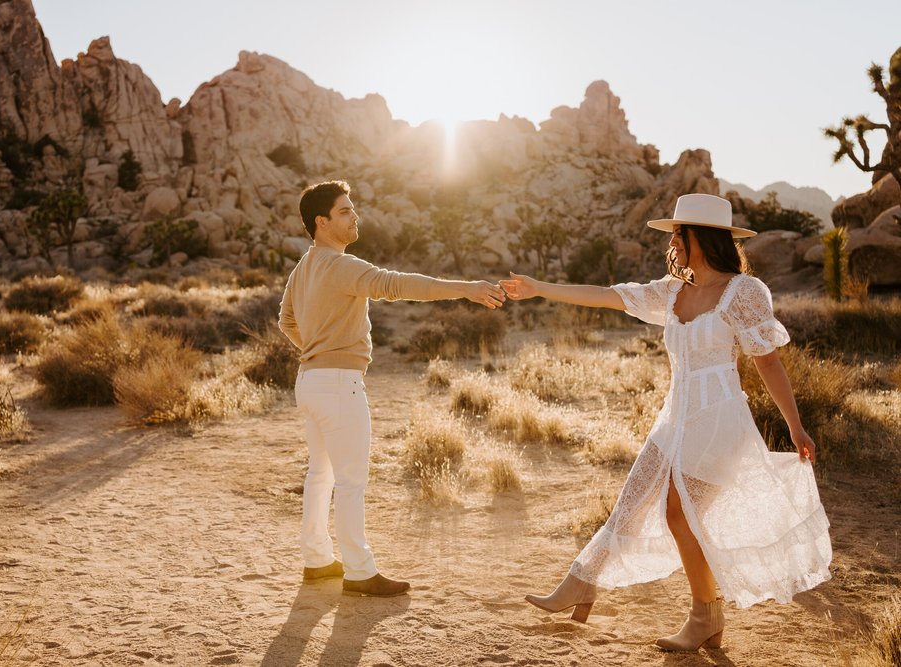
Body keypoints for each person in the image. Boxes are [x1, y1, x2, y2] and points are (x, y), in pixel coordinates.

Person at [500, 193, 832, 651]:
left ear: (702, 237)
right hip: (676, 414)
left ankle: (705, 617)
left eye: (679, 232)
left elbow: (768, 363)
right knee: (632, 501)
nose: (672, 241)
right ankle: (583, 581)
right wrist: (540, 287)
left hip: (718, 420)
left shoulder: (744, 293)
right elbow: (608, 297)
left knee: (680, 513)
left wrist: (794, 425)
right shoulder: (673, 290)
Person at [278, 180, 506, 598]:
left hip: (310, 380)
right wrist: (467, 289)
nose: (355, 216)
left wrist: (314, 350)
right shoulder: (339, 266)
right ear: (322, 222)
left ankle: (315, 560)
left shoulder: (304, 267)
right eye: (345, 211)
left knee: (320, 474)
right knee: (350, 481)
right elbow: (399, 285)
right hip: (337, 384)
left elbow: (286, 322)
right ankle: (360, 572)